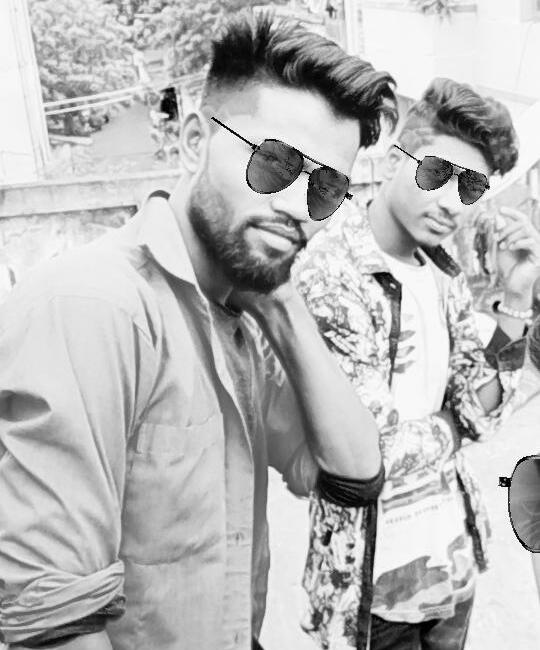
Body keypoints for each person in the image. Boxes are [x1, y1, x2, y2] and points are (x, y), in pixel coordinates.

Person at [0, 11, 399, 650]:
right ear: (193, 140)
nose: (297, 207)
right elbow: (53, 618)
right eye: (275, 163)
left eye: (325, 190)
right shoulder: (94, 308)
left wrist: (281, 301)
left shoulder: (250, 316)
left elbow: (352, 475)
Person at [292, 78, 540, 649]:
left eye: (471, 187)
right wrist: (452, 427)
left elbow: (481, 413)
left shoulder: (443, 272)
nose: (452, 202)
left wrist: (517, 298)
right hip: (370, 589)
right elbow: (367, 459)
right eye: (437, 173)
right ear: (391, 158)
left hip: (451, 564)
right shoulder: (332, 273)